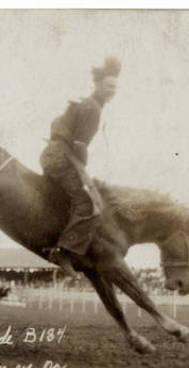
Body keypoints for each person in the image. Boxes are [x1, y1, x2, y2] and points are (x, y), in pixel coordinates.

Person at [39, 56, 121, 275]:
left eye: (115, 87)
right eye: (109, 86)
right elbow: (79, 145)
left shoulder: (82, 103)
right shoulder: (93, 108)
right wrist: (82, 168)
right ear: (98, 84)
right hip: (62, 157)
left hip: (51, 154)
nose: (112, 91)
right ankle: (63, 251)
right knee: (88, 204)